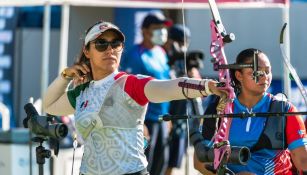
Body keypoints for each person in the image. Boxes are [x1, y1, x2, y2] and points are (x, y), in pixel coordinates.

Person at [42, 20, 226, 175]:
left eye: (116, 44)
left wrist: (207, 86)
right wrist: (65, 76)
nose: (110, 49)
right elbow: (49, 105)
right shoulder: (83, 92)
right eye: (101, 44)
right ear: (87, 51)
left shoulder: (130, 84)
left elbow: (170, 87)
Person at [193, 48, 307, 175]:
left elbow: (303, 161)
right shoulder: (219, 108)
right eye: (257, 72)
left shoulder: (285, 110)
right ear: (239, 75)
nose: (265, 77)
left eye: (268, 71)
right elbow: (200, 161)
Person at [120, 13, 172, 175]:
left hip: (162, 119)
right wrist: (139, 123)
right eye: (157, 28)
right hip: (145, 120)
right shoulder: (135, 55)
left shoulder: (161, 53)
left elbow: (166, 85)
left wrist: (168, 117)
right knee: (144, 166)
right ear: (144, 31)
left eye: (163, 28)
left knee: (160, 164)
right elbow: (126, 90)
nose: (162, 32)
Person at [163, 24, 205, 175]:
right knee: (162, 159)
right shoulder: (165, 59)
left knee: (175, 160)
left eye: (185, 43)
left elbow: (200, 93)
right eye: (179, 43)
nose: (182, 47)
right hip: (167, 115)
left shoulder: (187, 62)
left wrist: (194, 75)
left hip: (184, 119)